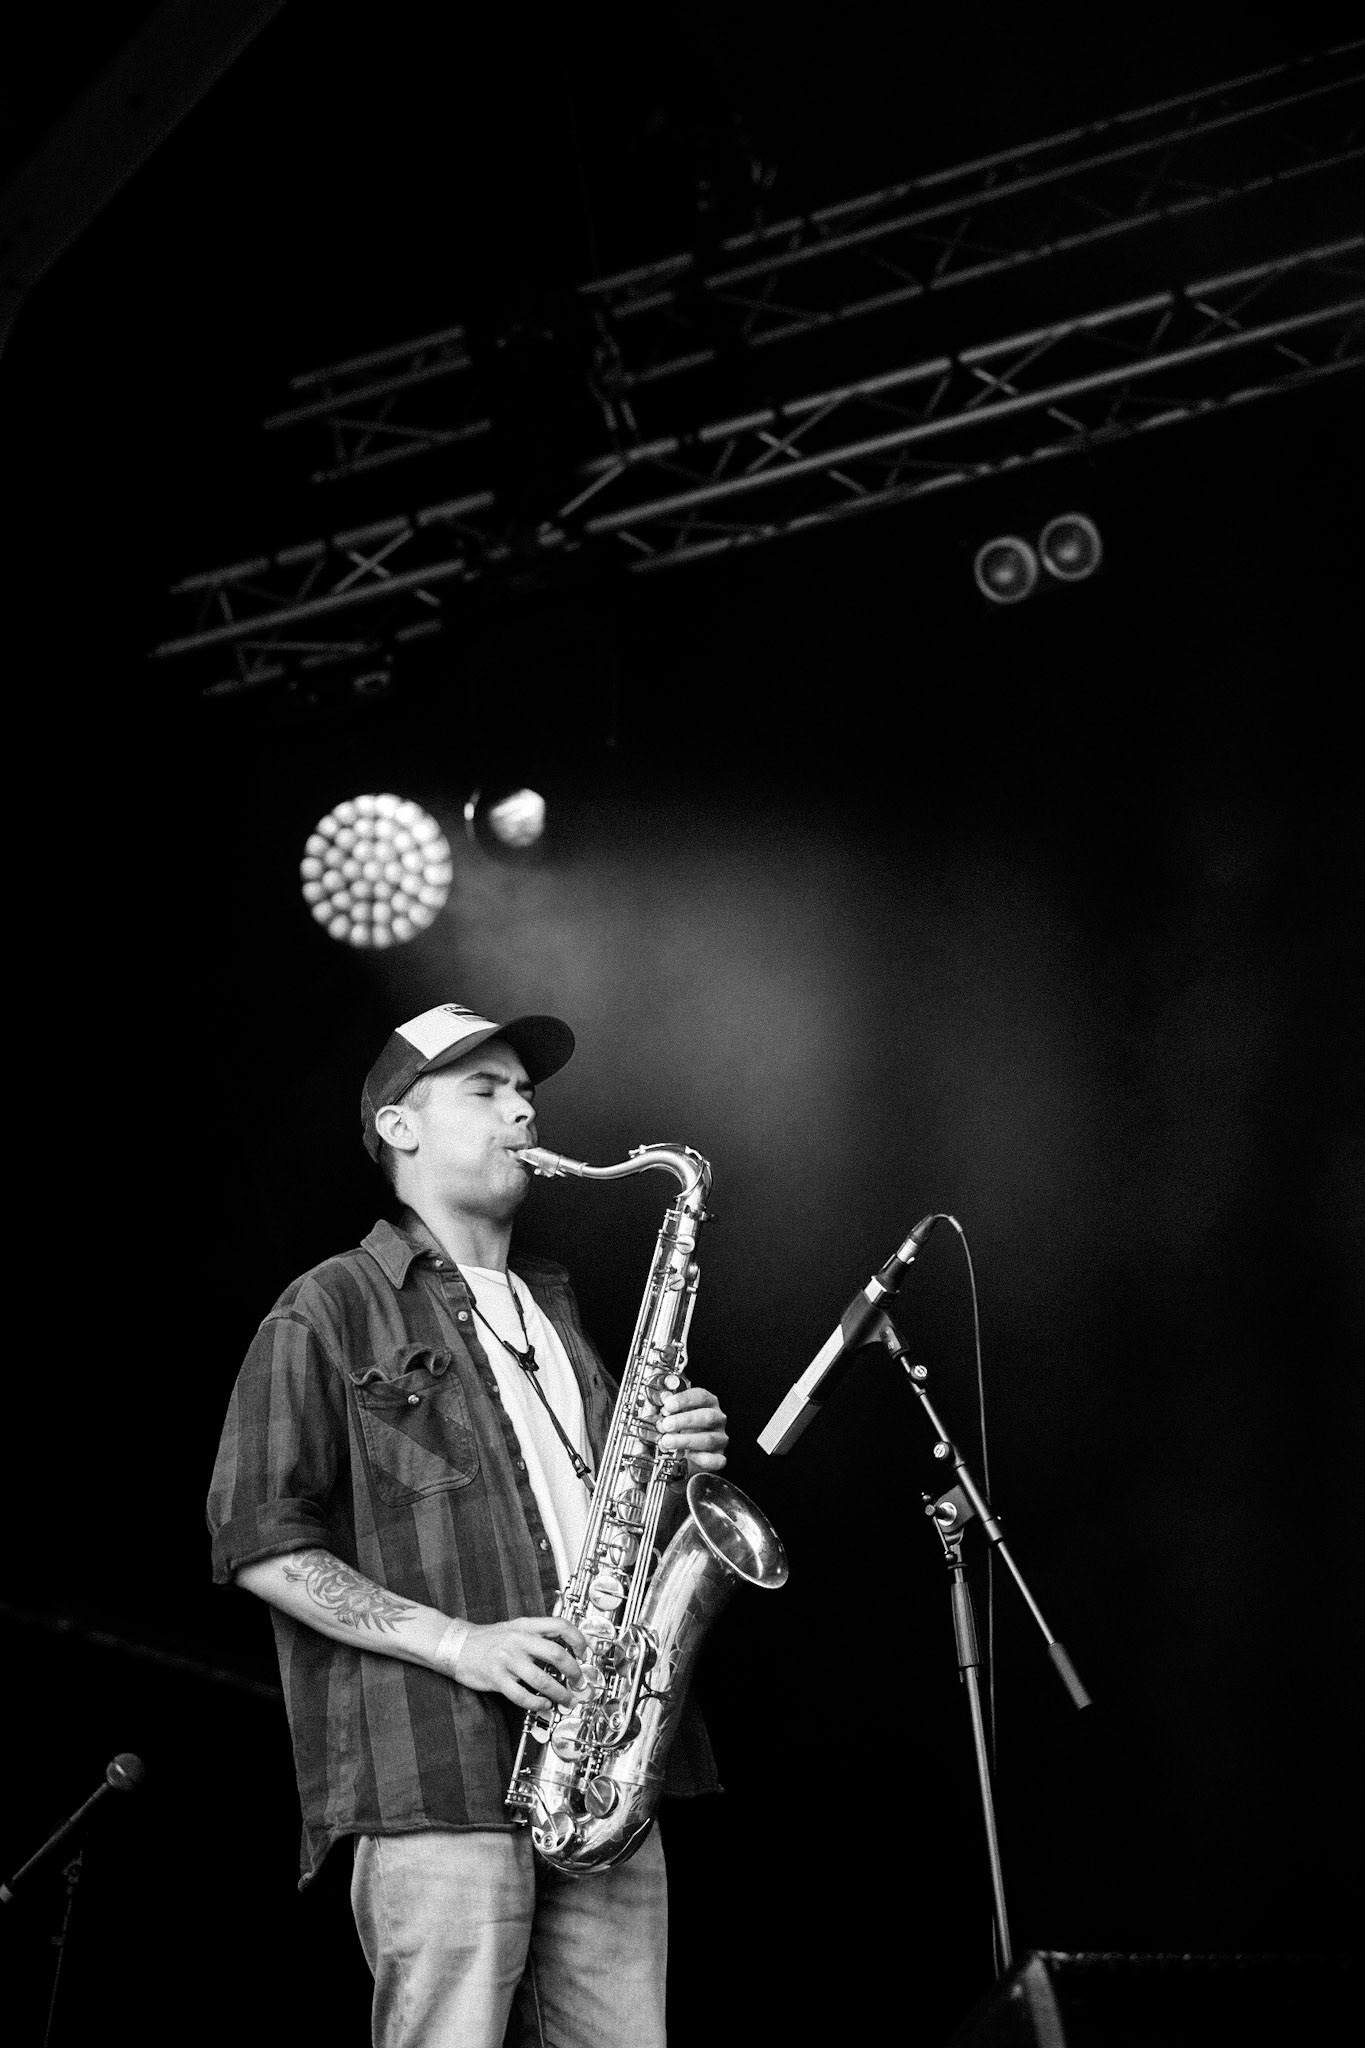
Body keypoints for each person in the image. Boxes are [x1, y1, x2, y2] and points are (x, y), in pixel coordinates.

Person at [207, 1000, 730, 2048]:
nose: (522, 1111)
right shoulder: (328, 1306)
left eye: (526, 1092)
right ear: (399, 1126)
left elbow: (604, 1526)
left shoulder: (555, 1312)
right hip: (436, 1775)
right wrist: (463, 1644)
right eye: (484, 1091)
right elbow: (257, 1539)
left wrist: (676, 1464)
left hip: (601, 1771)